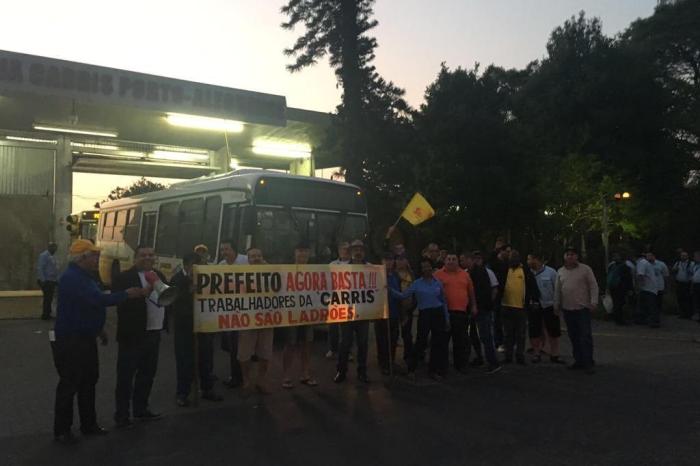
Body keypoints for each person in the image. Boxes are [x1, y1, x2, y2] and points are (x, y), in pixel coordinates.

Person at [52, 240, 148, 444]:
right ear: (82, 258)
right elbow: (97, 299)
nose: (98, 259)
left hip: (85, 338)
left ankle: (89, 424)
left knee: (88, 381)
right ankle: (62, 430)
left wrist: (99, 329)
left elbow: (89, 306)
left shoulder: (85, 276)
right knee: (70, 384)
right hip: (71, 340)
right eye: (94, 255)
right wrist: (126, 294)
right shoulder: (72, 278)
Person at [113, 245, 168, 428]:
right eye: (143, 255)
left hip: (154, 331)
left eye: (151, 255)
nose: (148, 258)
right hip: (133, 334)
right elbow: (117, 302)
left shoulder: (159, 275)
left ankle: (141, 409)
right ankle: (122, 415)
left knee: (147, 374)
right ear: (135, 258)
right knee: (126, 377)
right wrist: (138, 295)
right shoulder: (124, 277)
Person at [169, 253, 221, 407]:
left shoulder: (205, 277)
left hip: (203, 325)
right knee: (184, 361)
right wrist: (189, 292)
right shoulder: (177, 279)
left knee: (206, 358)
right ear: (187, 265)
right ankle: (182, 393)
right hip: (184, 328)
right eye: (196, 266)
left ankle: (207, 389)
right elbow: (174, 303)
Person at [390, 258, 450, 380]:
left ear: (431, 268)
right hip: (425, 314)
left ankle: (433, 370)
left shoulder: (437, 282)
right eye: (423, 267)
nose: (426, 269)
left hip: (438, 313)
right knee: (420, 341)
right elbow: (403, 295)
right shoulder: (417, 283)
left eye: (428, 266)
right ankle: (412, 368)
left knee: (437, 342)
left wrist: (447, 318)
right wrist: (389, 289)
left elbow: (443, 301)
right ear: (420, 270)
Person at [554, 247, 599, 373]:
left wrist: (594, 302)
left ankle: (588, 362)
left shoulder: (585, 269)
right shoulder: (561, 271)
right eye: (567, 254)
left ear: (577, 256)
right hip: (568, 309)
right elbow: (558, 290)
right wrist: (556, 305)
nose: (570, 257)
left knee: (585, 336)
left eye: (572, 254)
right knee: (573, 336)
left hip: (582, 308)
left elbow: (593, 286)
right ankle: (578, 360)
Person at [238, 247, 275, 395]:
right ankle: (246, 381)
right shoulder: (240, 273)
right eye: (253, 256)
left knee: (265, 352)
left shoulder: (272, 271)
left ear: (263, 257)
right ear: (248, 259)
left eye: (259, 255)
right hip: (247, 319)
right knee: (244, 353)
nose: (256, 258)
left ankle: (261, 381)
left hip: (267, 318)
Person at [334, 239, 372, 383]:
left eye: (361, 250)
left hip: (364, 312)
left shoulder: (371, 268)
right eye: (355, 249)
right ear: (351, 252)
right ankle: (341, 371)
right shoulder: (342, 269)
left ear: (364, 252)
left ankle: (362, 372)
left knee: (363, 344)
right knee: (345, 343)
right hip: (346, 312)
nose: (358, 252)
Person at [434, 252, 477, 374]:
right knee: (442, 341)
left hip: (461, 313)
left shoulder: (465, 275)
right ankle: (442, 367)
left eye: (454, 259)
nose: (451, 261)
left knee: (460, 341)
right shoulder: (437, 275)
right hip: (444, 313)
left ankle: (460, 365)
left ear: (458, 261)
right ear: (445, 261)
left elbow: (471, 292)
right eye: (449, 259)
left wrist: (474, 306)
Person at [283, 242, 318, 388]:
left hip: (309, 314)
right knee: (290, 344)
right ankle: (286, 376)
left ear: (309, 254)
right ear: (294, 253)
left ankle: (305, 374)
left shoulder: (316, 271)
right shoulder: (286, 270)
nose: (302, 254)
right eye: (299, 251)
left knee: (307, 344)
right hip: (292, 314)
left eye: (305, 251)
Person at [500, 250, 539, 365]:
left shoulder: (525, 271)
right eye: (512, 257)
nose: (514, 259)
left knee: (521, 334)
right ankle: (508, 356)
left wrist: (534, 300)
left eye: (516, 257)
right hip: (506, 306)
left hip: (521, 307)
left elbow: (533, 287)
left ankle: (520, 356)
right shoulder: (504, 270)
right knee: (508, 334)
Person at [218, 239, 248, 388]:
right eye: (222, 250)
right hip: (229, 311)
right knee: (232, 346)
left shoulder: (246, 260)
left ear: (234, 250)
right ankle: (237, 376)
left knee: (240, 346)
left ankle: (240, 378)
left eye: (227, 249)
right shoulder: (221, 266)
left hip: (246, 311)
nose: (224, 253)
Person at [527, 253, 564, 364]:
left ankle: (555, 354)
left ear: (536, 259)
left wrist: (557, 305)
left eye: (529, 259)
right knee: (534, 331)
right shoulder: (527, 273)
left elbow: (557, 289)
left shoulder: (551, 272)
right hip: (534, 306)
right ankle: (536, 353)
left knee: (553, 331)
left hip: (549, 305)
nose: (527, 261)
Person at [469, 251, 502, 373]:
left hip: (484, 308)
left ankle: (493, 362)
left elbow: (494, 289)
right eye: (474, 258)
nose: (476, 260)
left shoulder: (488, 272)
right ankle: (479, 357)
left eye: (479, 258)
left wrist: (488, 303)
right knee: (473, 335)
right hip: (472, 308)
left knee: (486, 335)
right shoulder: (469, 273)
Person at [375, 253, 401, 375]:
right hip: (381, 313)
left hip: (394, 312)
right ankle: (383, 363)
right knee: (382, 339)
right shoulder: (377, 275)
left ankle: (391, 360)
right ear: (382, 261)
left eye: (391, 260)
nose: (389, 263)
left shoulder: (396, 275)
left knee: (393, 338)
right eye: (386, 260)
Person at [326, 241, 350, 359]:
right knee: (333, 327)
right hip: (335, 298)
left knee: (347, 329)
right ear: (339, 250)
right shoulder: (332, 264)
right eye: (342, 248)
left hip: (349, 299)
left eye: (347, 249)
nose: (345, 251)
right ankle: (333, 349)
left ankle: (348, 351)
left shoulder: (355, 264)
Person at [489, 243, 512, 351]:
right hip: (497, 296)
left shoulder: (509, 263)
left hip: (508, 295)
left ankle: (508, 342)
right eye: (506, 251)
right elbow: (491, 258)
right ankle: (498, 342)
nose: (508, 253)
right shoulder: (495, 263)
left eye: (509, 252)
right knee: (497, 320)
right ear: (501, 251)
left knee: (508, 321)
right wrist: (496, 248)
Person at [395, 253, 416, 363]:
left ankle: (409, 357)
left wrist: (412, 307)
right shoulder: (392, 274)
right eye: (398, 259)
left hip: (408, 309)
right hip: (395, 309)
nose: (400, 261)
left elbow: (416, 292)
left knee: (407, 335)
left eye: (402, 259)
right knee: (393, 335)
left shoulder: (412, 275)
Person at [606, 252, 634, 325]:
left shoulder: (611, 266)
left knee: (616, 303)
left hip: (613, 287)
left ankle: (616, 319)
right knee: (620, 303)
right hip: (621, 288)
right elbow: (628, 278)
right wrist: (630, 289)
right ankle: (620, 320)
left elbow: (608, 276)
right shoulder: (625, 267)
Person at [635, 250, 660, 327]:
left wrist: (639, 287)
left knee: (649, 305)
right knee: (648, 305)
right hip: (649, 287)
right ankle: (647, 320)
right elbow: (641, 275)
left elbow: (640, 275)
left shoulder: (642, 263)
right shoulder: (644, 263)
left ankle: (651, 321)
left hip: (648, 288)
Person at [37, 242, 59, 320]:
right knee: (47, 298)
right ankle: (45, 315)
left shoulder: (52, 256)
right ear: (49, 247)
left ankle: (48, 313)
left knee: (49, 298)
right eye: (54, 248)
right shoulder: (44, 256)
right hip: (46, 280)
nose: (55, 250)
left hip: (52, 280)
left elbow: (54, 269)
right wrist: (43, 280)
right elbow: (40, 268)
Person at [672, 250, 694, 319]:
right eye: (682, 255)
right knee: (680, 298)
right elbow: (673, 270)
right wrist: (675, 270)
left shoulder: (691, 264)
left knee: (687, 299)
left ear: (687, 256)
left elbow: (693, 272)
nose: (683, 257)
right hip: (679, 283)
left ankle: (689, 314)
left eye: (684, 255)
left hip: (687, 284)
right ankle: (682, 313)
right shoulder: (678, 263)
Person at [648, 251, 669, 316]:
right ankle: (652, 316)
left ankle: (658, 315)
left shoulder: (661, 264)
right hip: (649, 287)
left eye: (650, 256)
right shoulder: (646, 264)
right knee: (651, 302)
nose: (648, 257)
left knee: (658, 302)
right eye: (647, 256)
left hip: (659, 287)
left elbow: (666, 275)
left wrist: (666, 286)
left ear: (653, 256)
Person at [692, 251, 700, 322]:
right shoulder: (695, 265)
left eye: (696, 256)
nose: (694, 258)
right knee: (696, 300)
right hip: (695, 284)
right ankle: (697, 315)